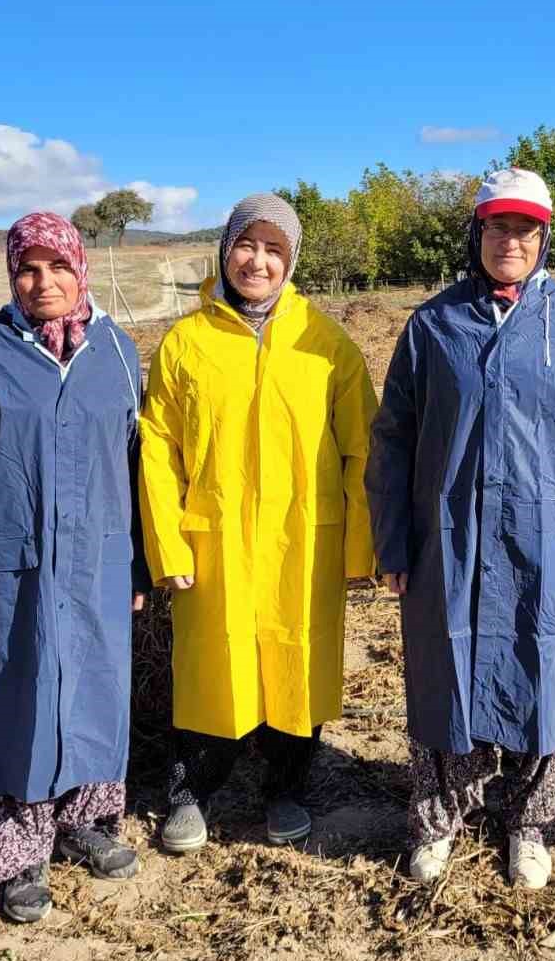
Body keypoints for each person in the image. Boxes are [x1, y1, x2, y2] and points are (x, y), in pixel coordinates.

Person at [366, 167, 555, 890]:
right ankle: (438, 820)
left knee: (550, 677)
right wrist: (394, 542)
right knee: (444, 677)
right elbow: (394, 439)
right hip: (451, 539)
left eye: (525, 228)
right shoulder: (434, 326)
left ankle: (531, 825)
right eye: (498, 226)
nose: (510, 241)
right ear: (477, 233)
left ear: (544, 237)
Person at [0, 212, 150, 925]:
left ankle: (87, 824)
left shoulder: (117, 352)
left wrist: (137, 562)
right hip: (10, 573)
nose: (43, 281)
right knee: (13, 704)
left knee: (96, 695)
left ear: (83, 268)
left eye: (57, 266)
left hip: (99, 566)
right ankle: (18, 857)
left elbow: (138, 470)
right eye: (27, 267)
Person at [138, 193, 378, 851]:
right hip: (214, 542)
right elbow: (158, 452)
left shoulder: (326, 343)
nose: (259, 261)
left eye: (275, 249)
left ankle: (287, 789)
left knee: (295, 665)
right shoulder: (185, 344)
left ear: (293, 259)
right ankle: (193, 794)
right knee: (213, 668)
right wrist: (168, 547)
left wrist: (359, 550)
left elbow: (364, 448)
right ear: (225, 249)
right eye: (248, 244)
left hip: (303, 544)